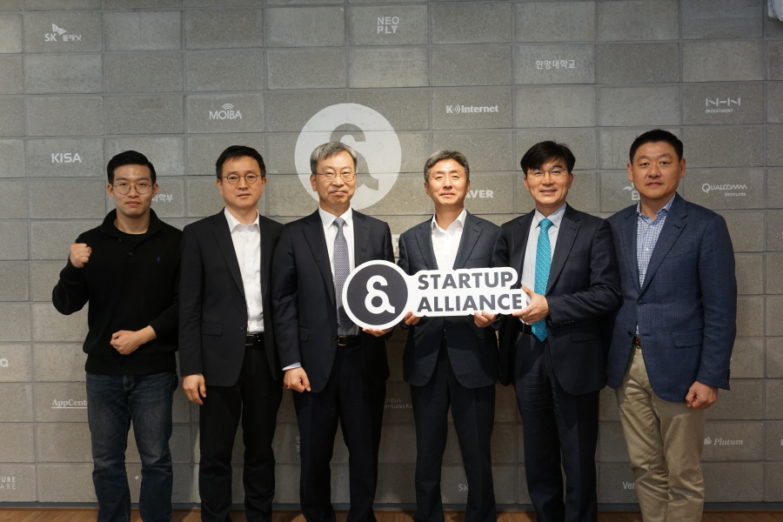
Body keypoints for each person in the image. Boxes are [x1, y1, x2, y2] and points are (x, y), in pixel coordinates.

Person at [607, 129, 737, 522]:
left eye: (664, 162)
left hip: (682, 368)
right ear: (630, 171)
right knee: (644, 466)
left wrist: (710, 375)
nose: (653, 171)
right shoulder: (613, 226)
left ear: (681, 168)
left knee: (682, 472)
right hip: (627, 364)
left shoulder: (706, 225)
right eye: (644, 164)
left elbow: (721, 309)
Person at [493, 141, 621, 522]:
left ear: (570, 178)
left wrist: (551, 305)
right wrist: (489, 315)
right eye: (537, 172)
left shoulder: (594, 230)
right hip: (525, 353)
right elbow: (498, 294)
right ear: (526, 181)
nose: (546, 179)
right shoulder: (510, 233)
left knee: (578, 454)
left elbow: (607, 293)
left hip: (575, 355)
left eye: (556, 170)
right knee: (538, 452)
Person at [52, 150, 180, 522]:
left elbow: (184, 305)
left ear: (155, 189)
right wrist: (72, 267)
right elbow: (65, 304)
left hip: (154, 370)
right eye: (123, 184)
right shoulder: (90, 242)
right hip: (103, 372)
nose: (132, 192)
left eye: (141, 184)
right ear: (110, 189)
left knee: (156, 459)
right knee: (106, 461)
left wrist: (142, 336)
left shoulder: (175, 242)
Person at [271, 141, 393, 522]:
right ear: (314, 181)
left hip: (364, 358)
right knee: (314, 453)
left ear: (356, 179)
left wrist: (387, 326)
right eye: (329, 173)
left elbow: (390, 294)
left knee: (365, 451)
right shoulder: (293, 235)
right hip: (311, 365)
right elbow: (283, 302)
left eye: (346, 173)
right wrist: (291, 363)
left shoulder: (377, 231)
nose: (338, 181)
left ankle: (362, 516)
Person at [179, 145, 283, 521]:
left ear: (263, 182)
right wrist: (191, 367)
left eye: (250, 176)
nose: (242, 184)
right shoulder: (198, 235)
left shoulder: (279, 235)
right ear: (219, 184)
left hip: (266, 358)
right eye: (233, 177)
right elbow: (188, 307)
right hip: (216, 362)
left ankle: (259, 516)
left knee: (261, 450)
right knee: (215, 453)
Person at [397, 150, 499, 522]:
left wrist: (493, 319)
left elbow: (502, 294)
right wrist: (404, 318)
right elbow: (401, 296)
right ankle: (428, 515)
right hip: (425, 359)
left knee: (478, 452)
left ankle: (481, 515)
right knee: (427, 451)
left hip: (474, 358)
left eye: (455, 175)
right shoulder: (411, 239)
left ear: (468, 184)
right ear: (427, 187)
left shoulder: (492, 235)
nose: (447, 183)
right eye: (438, 177)